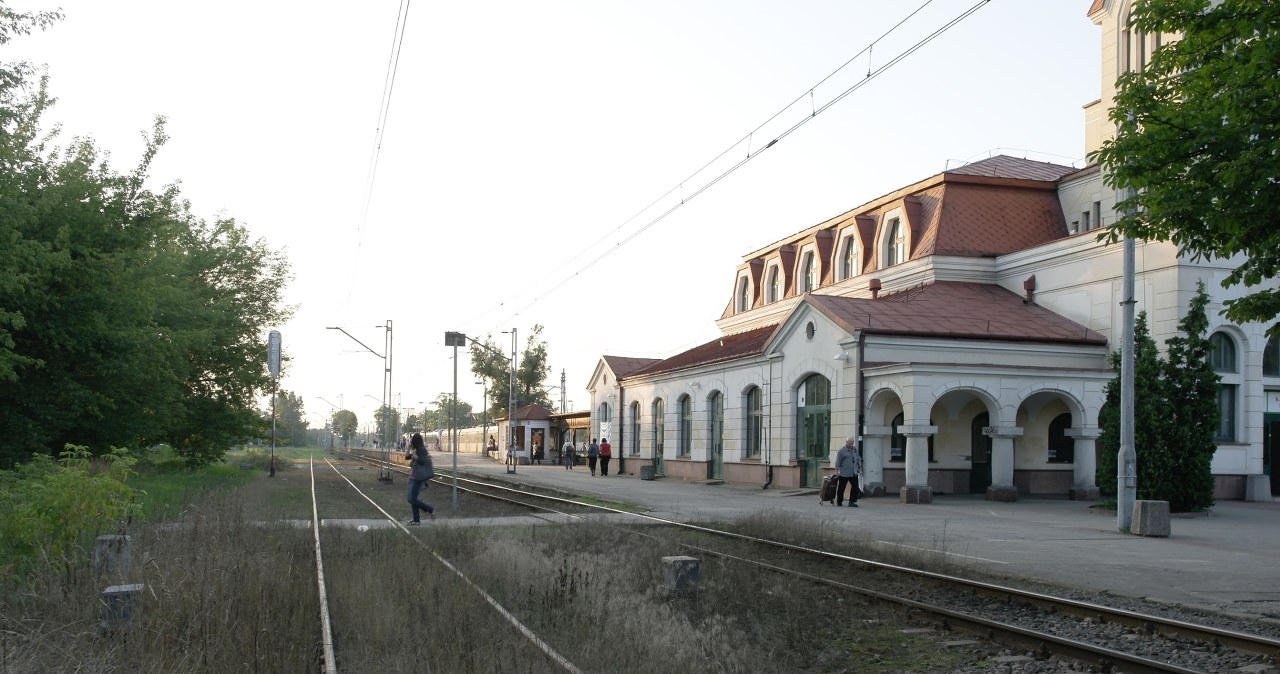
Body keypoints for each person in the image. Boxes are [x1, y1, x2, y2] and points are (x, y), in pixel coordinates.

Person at [405, 433, 436, 524]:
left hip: (418, 479)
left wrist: (416, 457)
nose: (411, 442)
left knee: (413, 499)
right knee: (410, 499)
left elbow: (423, 462)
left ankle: (430, 510)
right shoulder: (416, 450)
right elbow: (406, 457)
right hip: (413, 478)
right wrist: (408, 447)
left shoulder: (422, 450)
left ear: (415, 441)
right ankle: (416, 520)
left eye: (412, 441)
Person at [835, 437, 863, 507]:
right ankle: (839, 501)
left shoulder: (855, 450)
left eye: (852, 443)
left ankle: (852, 502)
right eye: (850, 443)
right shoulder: (841, 451)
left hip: (854, 472)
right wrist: (837, 471)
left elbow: (858, 457)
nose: (851, 445)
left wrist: (859, 466)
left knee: (855, 487)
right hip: (844, 473)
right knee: (841, 487)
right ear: (846, 442)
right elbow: (838, 462)